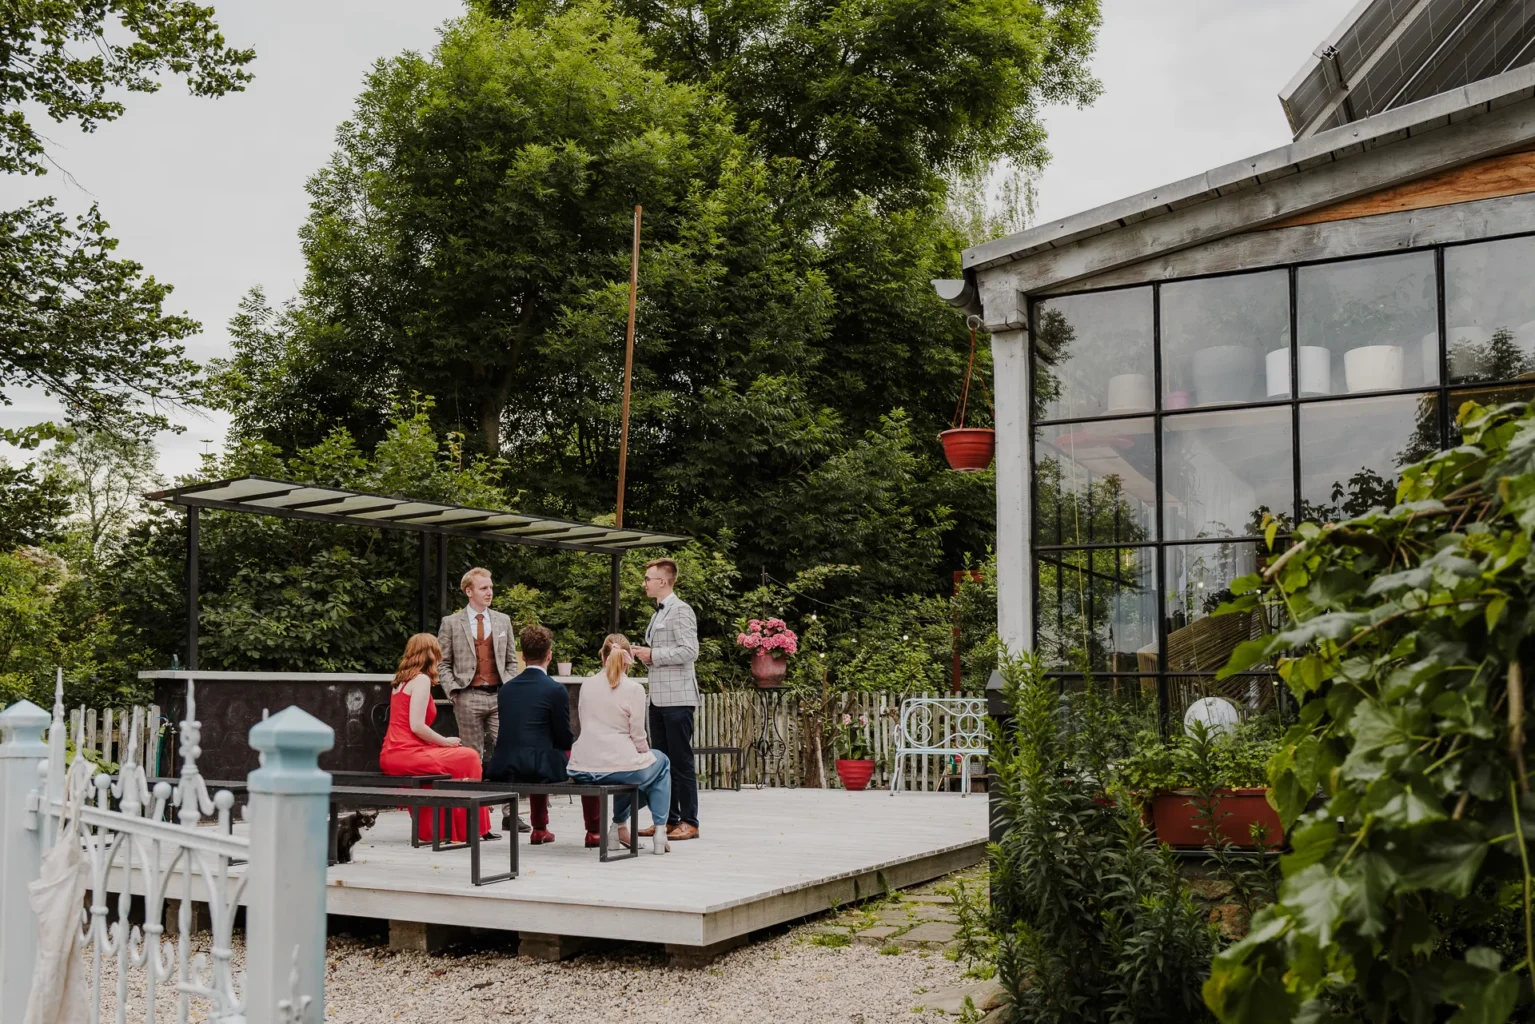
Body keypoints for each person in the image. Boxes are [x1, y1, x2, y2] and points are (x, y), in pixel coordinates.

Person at [484, 625, 594, 844]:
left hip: (506, 764)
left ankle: (540, 828)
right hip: (538, 766)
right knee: (586, 760)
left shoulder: (506, 689)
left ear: (523, 657)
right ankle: (594, 830)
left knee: (539, 750)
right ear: (549, 655)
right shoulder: (555, 689)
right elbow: (564, 736)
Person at [379, 633, 494, 843]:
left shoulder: (400, 681)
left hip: (395, 752)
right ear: (431, 654)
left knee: (460, 757)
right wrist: (445, 741)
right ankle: (472, 828)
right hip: (407, 752)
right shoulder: (421, 680)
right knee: (468, 756)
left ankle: (444, 829)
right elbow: (416, 726)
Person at [437, 567, 527, 833]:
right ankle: (477, 817)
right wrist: (453, 692)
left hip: (500, 696)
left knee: (509, 751)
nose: (489, 592)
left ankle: (511, 813)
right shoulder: (451, 623)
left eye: (491, 588)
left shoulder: (502, 620)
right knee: (471, 756)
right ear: (469, 591)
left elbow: (511, 660)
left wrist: (511, 687)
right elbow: (443, 662)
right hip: (468, 695)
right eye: (483, 588)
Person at [567, 634, 672, 855]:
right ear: (628, 659)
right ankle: (659, 831)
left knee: (633, 773)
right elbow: (638, 735)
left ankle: (618, 828)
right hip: (619, 765)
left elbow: (585, 723)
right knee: (660, 764)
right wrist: (644, 753)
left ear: (602, 657)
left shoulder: (586, 685)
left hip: (583, 766)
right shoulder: (634, 689)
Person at [631, 557, 700, 841]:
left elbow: (690, 651)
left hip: (678, 698)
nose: (644, 583)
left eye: (648, 578)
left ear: (663, 581)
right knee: (661, 762)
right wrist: (642, 654)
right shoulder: (658, 613)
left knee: (681, 761)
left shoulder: (681, 610)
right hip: (658, 698)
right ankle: (667, 819)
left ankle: (690, 821)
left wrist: (653, 654)